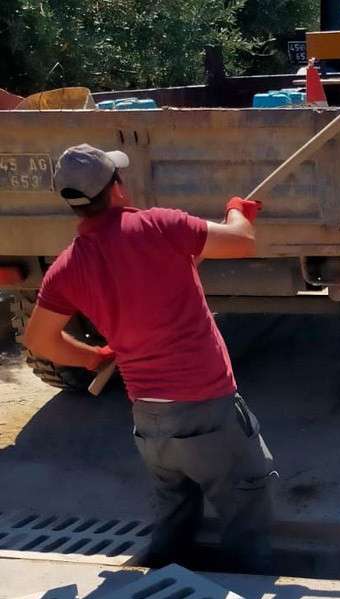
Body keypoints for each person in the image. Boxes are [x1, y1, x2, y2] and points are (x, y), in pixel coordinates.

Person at [23, 144, 278, 572]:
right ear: (117, 187)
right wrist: (238, 210)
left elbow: (39, 340)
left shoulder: (67, 267)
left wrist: (91, 357)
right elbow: (241, 242)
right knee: (247, 505)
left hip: (150, 422)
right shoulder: (160, 225)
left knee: (175, 516)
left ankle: (160, 577)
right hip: (207, 407)